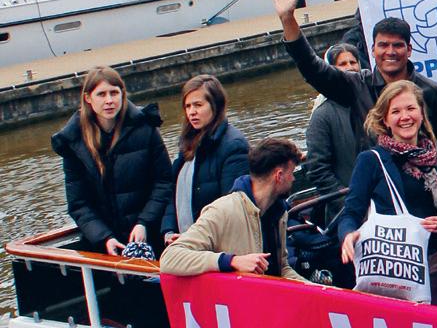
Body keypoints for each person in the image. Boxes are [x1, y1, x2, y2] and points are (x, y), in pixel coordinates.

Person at [269, 0, 437, 142]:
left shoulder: (433, 93)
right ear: (372, 50)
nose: (390, 52)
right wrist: (288, 19)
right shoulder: (356, 86)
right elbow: (312, 67)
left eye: (397, 45)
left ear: (409, 50)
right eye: (383, 45)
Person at [337, 82, 437, 292]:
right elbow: (351, 213)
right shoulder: (372, 160)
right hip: (396, 270)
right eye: (395, 111)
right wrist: (348, 235)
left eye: (411, 108)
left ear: (422, 114)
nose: (405, 117)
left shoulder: (436, 158)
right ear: (385, 120)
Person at [52, 67, 173, 257]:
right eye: (101, 94)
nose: (109, 100)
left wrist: (144, 222)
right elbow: (78, 203)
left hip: (149, 236)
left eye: (114, 93)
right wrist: (104, 237)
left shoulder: (145, 128)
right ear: (88, 98)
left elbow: (164, 182)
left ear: (122, 94)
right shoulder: (73, 141)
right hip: (105, 245)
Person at [160, 139, 307, 279]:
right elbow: (170, 257)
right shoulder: (222, 211)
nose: (293, 179)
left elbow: (282, 269)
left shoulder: (279, 213)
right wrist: (231, 261)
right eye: (292, 173)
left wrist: (316, 290)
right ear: (279, 176)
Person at [162, 76, 250, 243]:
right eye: (188, 106)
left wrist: (194, 237)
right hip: (186, 241)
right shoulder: (187, 145)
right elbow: (172, 194)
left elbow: (231, 207)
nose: (191, 112)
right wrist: (169, 230)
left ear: (215, 105)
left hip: (214, 243)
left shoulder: (233, 146)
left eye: (198, 105)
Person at [303, 43, 364, 193]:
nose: (349, 67)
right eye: (342, 64)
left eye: (353, 62)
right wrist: (346, 201)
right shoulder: (322, 115)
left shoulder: (374, 100)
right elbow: (318, 168)